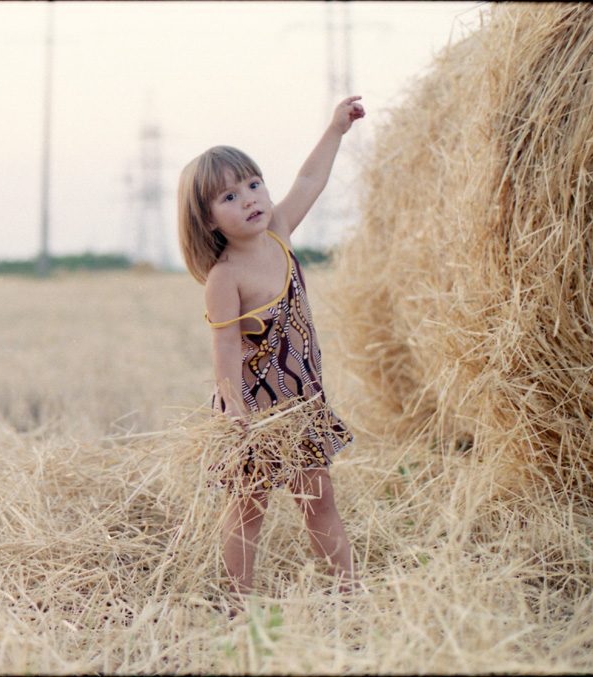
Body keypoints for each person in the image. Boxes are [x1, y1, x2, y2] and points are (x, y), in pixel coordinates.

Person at [177, 96, 366, 611]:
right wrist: (234, 409)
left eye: (253, 185)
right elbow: (225, 347)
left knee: (318, 501)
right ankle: (240, 604)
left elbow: (309, 182)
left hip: (300, 403)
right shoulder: (225, 278)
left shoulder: (279, 237)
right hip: (253, 412)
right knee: (248, 508)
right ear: (209, 220)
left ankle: (348, 597)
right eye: (229, 197)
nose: (249, 199)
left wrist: (335, 130)